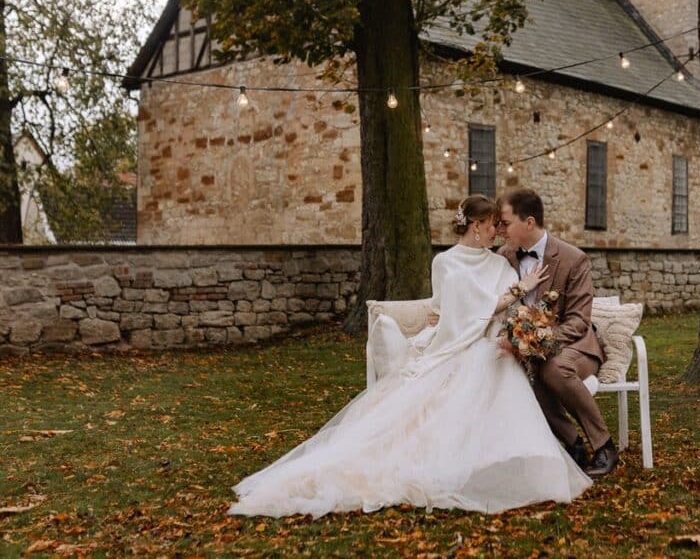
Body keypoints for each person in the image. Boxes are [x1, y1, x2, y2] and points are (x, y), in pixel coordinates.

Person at [228, 195, 591, 517]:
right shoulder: (446, 263)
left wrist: (513, 323)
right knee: (477, 369)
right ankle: (455, 464)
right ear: (477, 226)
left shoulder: (499, 264)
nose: (499, 231)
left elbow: (494, 313)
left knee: (499, 362)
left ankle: (512, 460)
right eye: (493, 224)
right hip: (458, 342)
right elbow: (466, 309)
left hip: (492, 341)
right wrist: (515, 292)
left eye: (502, 224)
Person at [497, 188, 618, 477]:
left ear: (528, 222)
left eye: (506, 222)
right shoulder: (503, 256)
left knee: (554, 368)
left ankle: (604, 447)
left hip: (576, 346)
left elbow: (578, 321)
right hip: (525, 346)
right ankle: (573, 443)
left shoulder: (574, 259)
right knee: (524, 369)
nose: (501, 229)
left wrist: (537, 340)